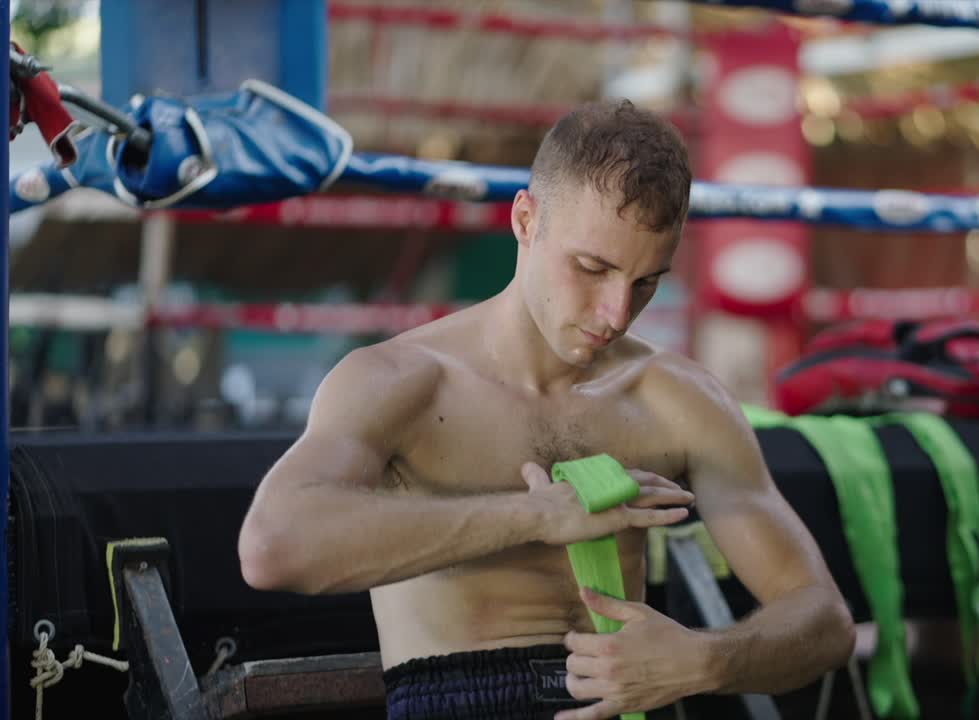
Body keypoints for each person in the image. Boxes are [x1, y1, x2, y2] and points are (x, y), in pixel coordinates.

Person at [238, 99, 855, 720]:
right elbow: (272, 547)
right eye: (593, 268)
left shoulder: (682, 399)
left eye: (646, 283)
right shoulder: (402, 382)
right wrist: (533, 516)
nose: (616, 313)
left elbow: (824, 620)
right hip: (461, 697)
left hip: (637, 704)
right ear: (526, 220)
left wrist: (704, 661)